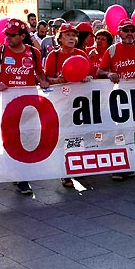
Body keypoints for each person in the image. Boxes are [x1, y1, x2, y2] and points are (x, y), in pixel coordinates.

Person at [0, 18, 48, 194]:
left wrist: (43, 81)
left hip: (30, 104)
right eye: (6, 34)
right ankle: (18, 175)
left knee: (28, 139)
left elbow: (40, 73)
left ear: (22, 36)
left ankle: (23, 174)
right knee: (11, 139)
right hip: (7, 104)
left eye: (12, 35)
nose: (7, 37)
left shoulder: (34, 52)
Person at [98, 18, 135, 182]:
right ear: (119, 32)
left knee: (134, 131)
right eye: (125, 30)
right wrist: (109, 74)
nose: (129, 33)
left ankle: (130, 164)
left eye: (132, 30)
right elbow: (100, 71)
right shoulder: (112, 50)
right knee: (119, 133)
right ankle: (117, 167)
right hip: (118, 98)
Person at [43, 22, 91, 189]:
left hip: (78, 104)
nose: (72, 38)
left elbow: (89, 75)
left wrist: (86, 78)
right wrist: (58, 80)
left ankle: (77, 166)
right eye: (68, 35)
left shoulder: (81, 54)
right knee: (63, 136)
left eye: (74, 35)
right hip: (60, 103)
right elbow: (45, 78)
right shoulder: (53, 56)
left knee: (78, 134)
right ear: (60, 38)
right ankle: (64, 171)